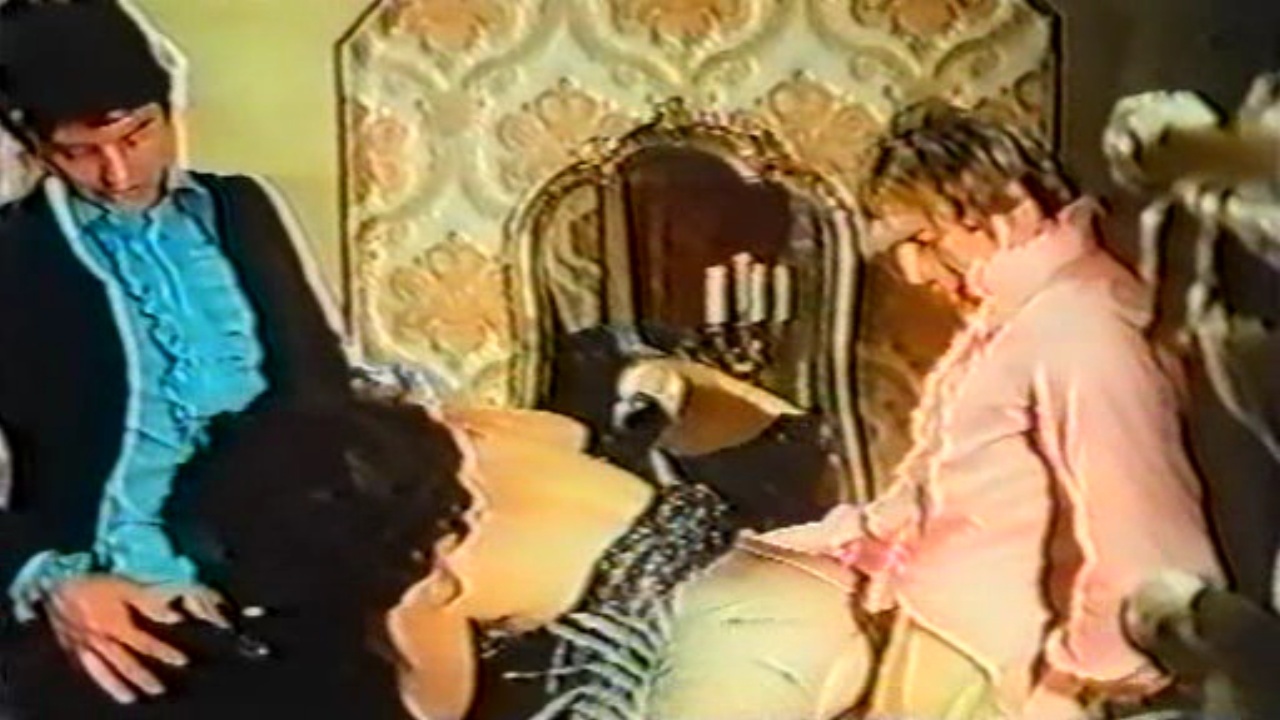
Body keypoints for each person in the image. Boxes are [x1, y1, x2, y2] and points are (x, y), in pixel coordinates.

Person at [760, 102, 1226, 719]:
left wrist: (1072, 685)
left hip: (1008, 671)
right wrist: (795, 550)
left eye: (925, 241)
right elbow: (934, 493)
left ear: (1007, 205)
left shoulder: (1082, 325)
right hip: (951, 642)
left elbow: (1146, 543)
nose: (912, 272)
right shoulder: (1015, 320)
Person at [0, 0, 350, 713]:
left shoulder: (244, 208)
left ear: (170, 107)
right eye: (79, 152)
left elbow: (323, 390)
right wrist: (52, 582)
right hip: (113, 600)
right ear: (32, 146)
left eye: (138, 134)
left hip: (282, 577)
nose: (118, 173)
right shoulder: (14, 255)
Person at [386, 399, 874, 720]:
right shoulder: (464, 426)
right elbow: (568, 432)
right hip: (778, 573)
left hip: (727, 652)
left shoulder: (413, 573)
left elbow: (439, 709)